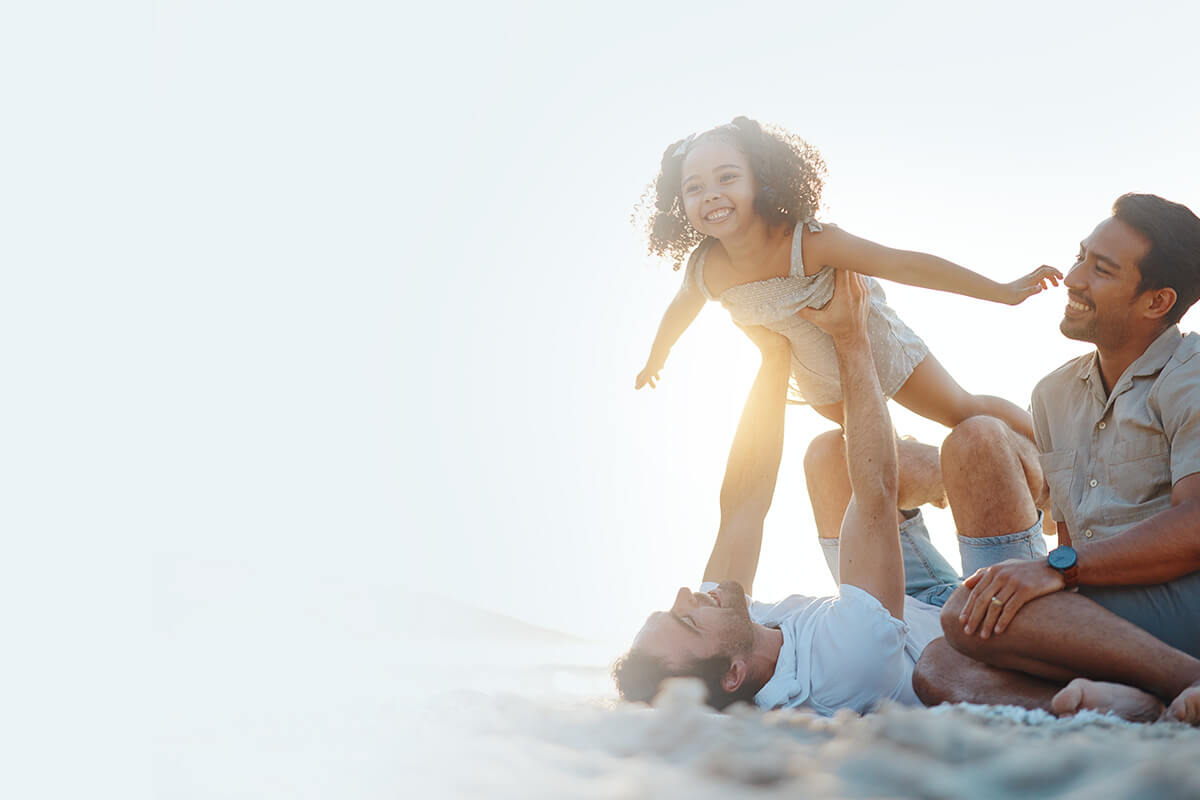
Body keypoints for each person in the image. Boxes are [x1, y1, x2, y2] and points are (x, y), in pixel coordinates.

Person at [612, 269, 1045, 714]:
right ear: (733, 674)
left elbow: (743, 504)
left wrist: (773, 359)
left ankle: (975, 480)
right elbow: (875, 489)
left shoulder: (732, 628)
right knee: (977, 441)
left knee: (827, 457)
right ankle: (1024, 472)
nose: (685, 594)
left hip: (908, 602)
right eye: (685, 618)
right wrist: (850, 336)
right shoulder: (841, 670)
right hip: (987, 625)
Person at [913, 193, 1200, 724]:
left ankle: (1189, 680)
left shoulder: (1192, 375)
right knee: (939, 664)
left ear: (1156, 302)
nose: (1072, 278)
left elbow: (1196, 526)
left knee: (962, 612)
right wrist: (1060, 580)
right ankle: (1136, 706)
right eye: (1080, 256)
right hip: (1106, 609)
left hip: (1185, 600)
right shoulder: (1053, 395)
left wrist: (1058, 572)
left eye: (1101, 269)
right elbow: (1070, 534)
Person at [633, 116, 1061, 442]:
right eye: (694, 187)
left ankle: (1052, 454)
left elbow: (905, 264)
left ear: (761, 182)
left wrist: (1002, 292)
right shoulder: (706, 269)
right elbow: (679, 312)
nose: (710, 194)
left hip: (873, 345)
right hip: (817, 374)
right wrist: (658, 356)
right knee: (871, 446)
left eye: (727, 177)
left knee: (960, 411)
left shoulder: (807, 241)